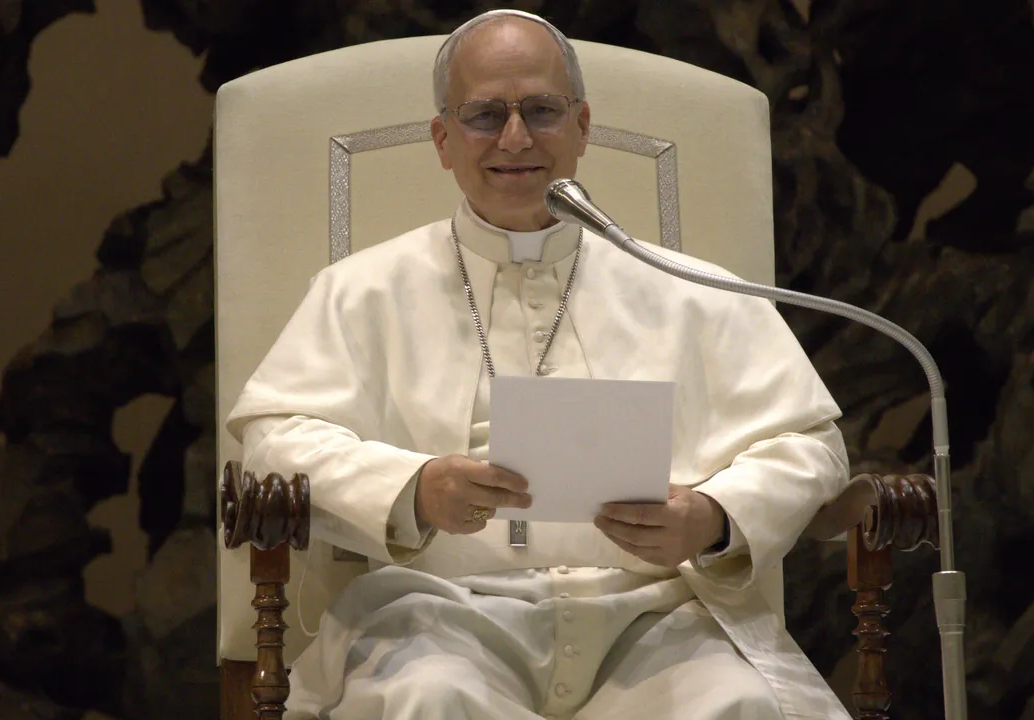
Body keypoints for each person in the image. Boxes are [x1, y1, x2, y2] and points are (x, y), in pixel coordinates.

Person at [228, 9, 852, 720]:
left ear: (582, 126)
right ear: (443, 139)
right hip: (444, 617)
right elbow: (273, 440)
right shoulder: (362, 290)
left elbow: (811, 446)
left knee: (735, 705)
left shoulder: (690, 289)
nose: (516, 138)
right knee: (428, 699)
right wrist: (412, 488)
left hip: (657, 622)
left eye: (543, 111)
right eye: (484, 115)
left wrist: (711, 517)